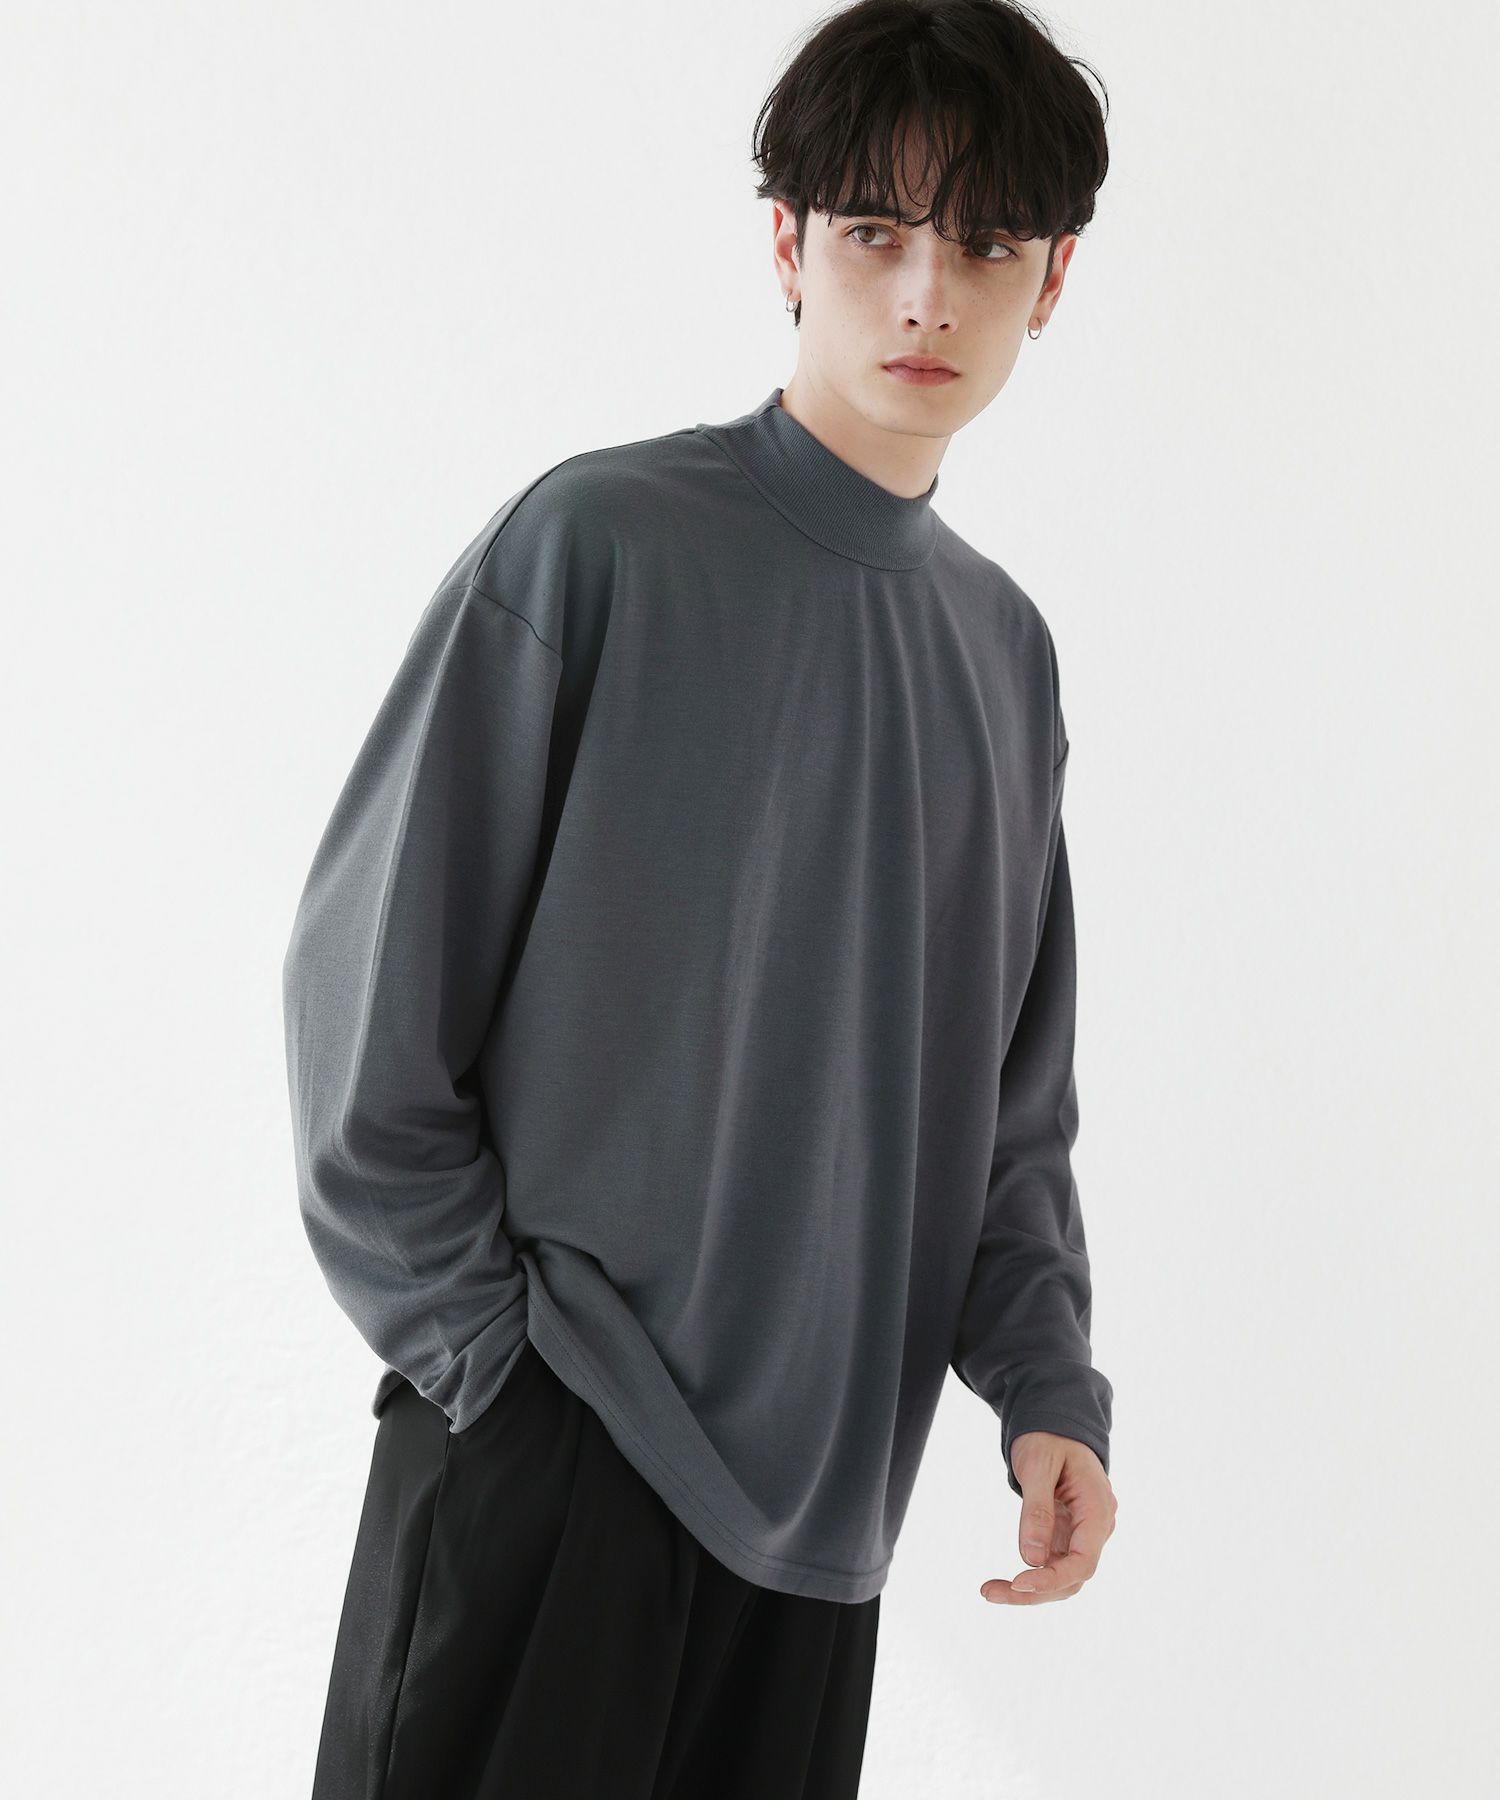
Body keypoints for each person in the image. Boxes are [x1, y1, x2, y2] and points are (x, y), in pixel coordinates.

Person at [280, 2, 1118, 1794]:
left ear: (1052, 281)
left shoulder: (1007, 659)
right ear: (787, 243)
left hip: (821, 1540)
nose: (926, 297)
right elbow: (365, 1017)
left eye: (985, 246)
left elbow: (1006, 1112)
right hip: (554, 1462)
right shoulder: (594, 548)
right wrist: (498, 1378)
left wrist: (1048, 1390)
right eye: (876, 232)